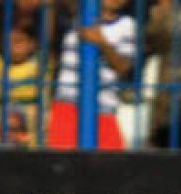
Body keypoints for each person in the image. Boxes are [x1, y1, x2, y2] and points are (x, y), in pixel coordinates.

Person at [47, 0, 136, 150]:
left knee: (108, 167)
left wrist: (102, 43)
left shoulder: (127, 25)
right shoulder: (76, 15)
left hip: (103, 106)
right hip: (67, 104)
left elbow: (124, 67)